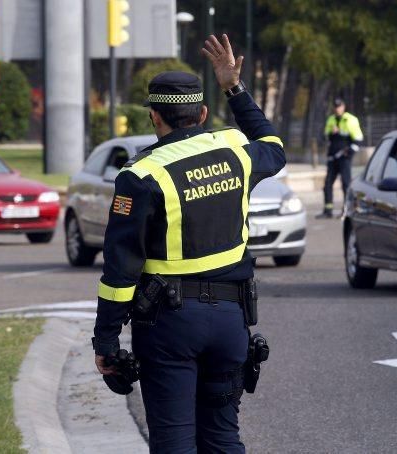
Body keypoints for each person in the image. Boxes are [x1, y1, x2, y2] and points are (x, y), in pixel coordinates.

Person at [93, 34, 285, 453]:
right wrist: (234, 88)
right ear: (202, 113)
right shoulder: (237, 148)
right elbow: (273, 145)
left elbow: (121, 268)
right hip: (232, 321)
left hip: (170, 326)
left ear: (154, 117)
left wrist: (106, 341)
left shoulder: (141, 175)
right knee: (222, 437)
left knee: (175, 441)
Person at [317, 98, 363, 218]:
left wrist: (349, 153)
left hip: (344, 157)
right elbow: (325, 137)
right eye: (335, 107)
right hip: (333, 157)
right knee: (327, 184)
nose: (337, 109)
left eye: (339, 106)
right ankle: (328, 210)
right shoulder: (331, 119)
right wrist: (332, 133)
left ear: (343, 106)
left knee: (346, 184)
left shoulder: (351, 120)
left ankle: (346, 210)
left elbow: (358, 140)